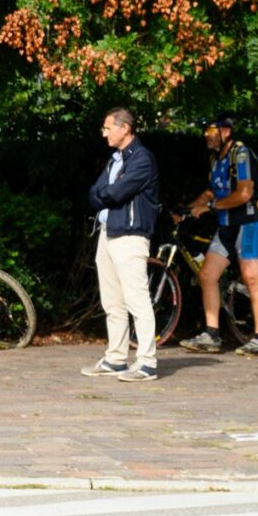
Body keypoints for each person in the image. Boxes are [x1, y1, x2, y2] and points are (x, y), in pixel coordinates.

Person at [180, 114, 258, 355]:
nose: (205, 135)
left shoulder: (240, 153)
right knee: (208, 275)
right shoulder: (216, 159)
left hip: (250, 221)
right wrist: (186, 210)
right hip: (228, 224)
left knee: (251, 275)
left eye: (210, 130)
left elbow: (243, 194)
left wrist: (210, 208)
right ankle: (212, 335)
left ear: (225, 132)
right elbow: (212, 193)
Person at [86, 107, 162, 383]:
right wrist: (104, 194)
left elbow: (116, 192)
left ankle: (146, 362)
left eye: (108, 127)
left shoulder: (142, 159)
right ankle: (116, 357)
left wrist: (104, 194)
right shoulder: (114, 159)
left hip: (130, 234)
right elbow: (95, 192)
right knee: (112, 301)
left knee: (137, 300)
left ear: (125, 128)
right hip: (107, 232)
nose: (104, 133)